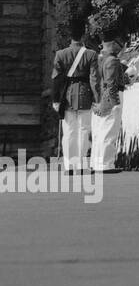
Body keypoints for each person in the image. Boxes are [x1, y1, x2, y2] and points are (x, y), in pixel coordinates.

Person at [51, 12, 98, 173]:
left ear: (70, 35)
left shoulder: (60, 54)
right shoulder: (91, 54)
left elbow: (56, 79)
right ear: (83, 34)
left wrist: (55, 100)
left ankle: (68, 165)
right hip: (85, 94)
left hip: (67, 95)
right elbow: (94, 79)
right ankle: (81, 164)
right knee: (84, 130)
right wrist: (97, 98)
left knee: (69, 131)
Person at [90, 26, 127, 173]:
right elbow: (111, 83)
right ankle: (106, 164)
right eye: (117, 44)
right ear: (111, 43)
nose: (119, 47)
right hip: (111, 95)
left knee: (99, 132)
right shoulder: (111, 60)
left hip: (99, 95)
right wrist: (112, 102)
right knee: (109, 130)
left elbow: (94, 81)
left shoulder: (97, 59)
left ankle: (97, 162)